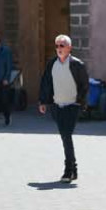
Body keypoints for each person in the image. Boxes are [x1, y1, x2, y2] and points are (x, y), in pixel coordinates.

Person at [38, 34, 89, 183]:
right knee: (65, 136)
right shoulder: (51, 64)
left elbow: (84, 85)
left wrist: (80, 102)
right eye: (57, 46)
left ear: (69, 48)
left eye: (62, 46)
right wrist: (43, 101)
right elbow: (45, 82)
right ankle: (73, 169)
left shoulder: (77, 64)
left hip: (72, 106)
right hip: (57, 106)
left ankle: (69, 170)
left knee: (66, 136)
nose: (59, 48)